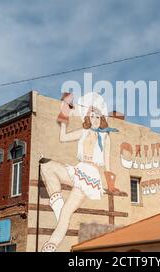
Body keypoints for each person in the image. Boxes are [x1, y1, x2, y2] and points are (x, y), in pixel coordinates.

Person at [40, 92, 120, 252]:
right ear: (88, 118)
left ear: (102, 118)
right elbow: (62, 138)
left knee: (66, 214)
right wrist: (65, 112)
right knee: (46, 166)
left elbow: (108, 164)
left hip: (90, 177)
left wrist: (111, 185)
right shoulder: (83, 132)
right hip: (78, 169)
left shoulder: (105, 137)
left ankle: (51, 246)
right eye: (92, 117)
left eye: (98, 117)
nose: (95, 120)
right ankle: (58, 205)